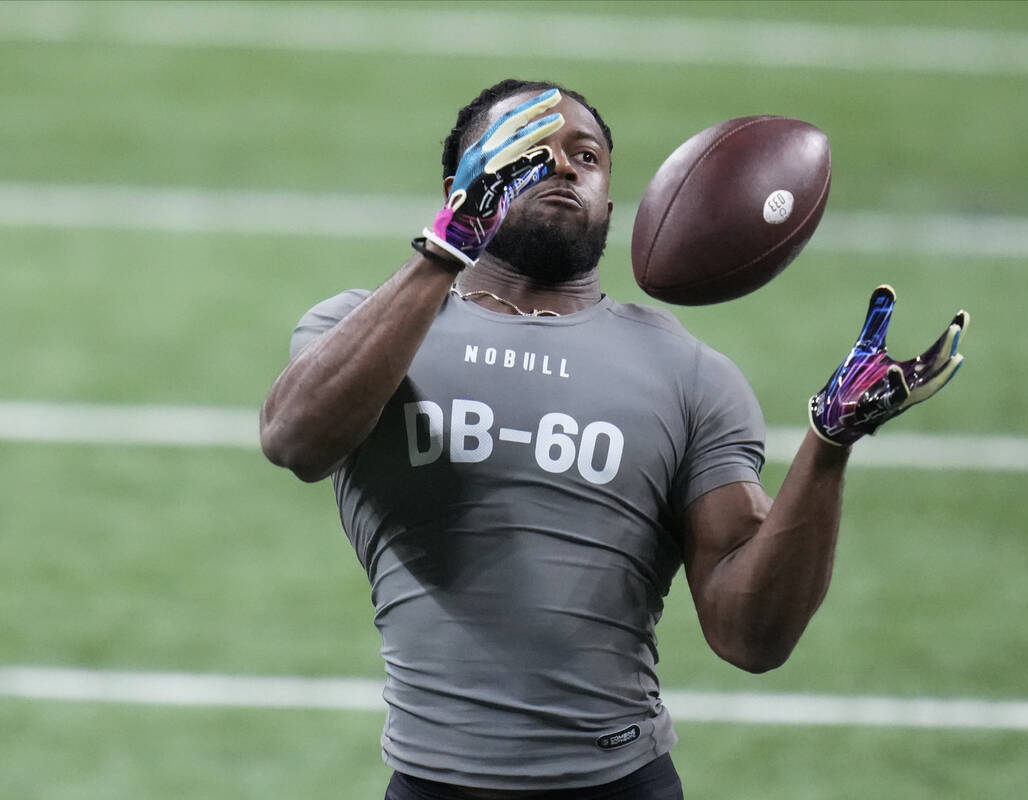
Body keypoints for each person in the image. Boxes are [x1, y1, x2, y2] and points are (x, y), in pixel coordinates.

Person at [260, 79, 968, 800]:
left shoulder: (688, 372)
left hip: (620, 783)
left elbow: (751, 637)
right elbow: (295, 440)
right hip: (432, 783)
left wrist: (829, 444)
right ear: (459, 183)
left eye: (585, 155)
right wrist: (446, 247)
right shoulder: (361, 328)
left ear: (610, 198)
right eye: (527, 152)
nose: (563, 166)